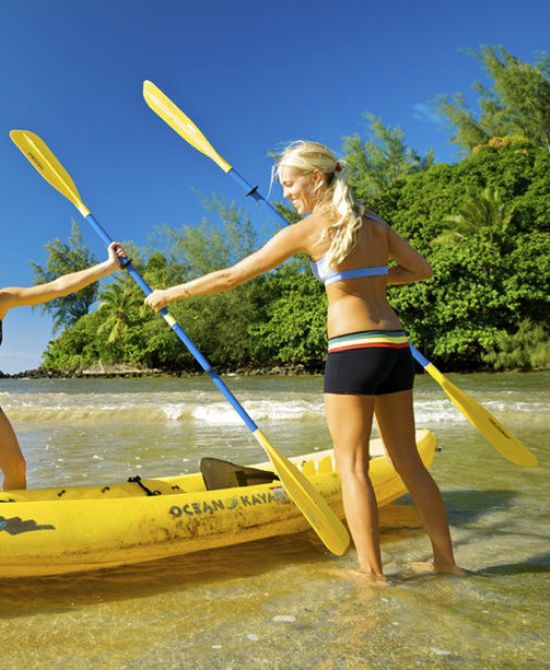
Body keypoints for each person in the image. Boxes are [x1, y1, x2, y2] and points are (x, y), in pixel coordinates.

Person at [145, 141, 464, 580]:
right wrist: (359, 276)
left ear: (317, 178)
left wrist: (169, 293)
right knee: (407, 460)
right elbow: (420, 270)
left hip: (353, 349)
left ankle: (372, 575)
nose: (288, 196)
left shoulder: (310, 230)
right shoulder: (373, 222)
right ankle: (447, 563)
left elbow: (231, 276)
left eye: (292, 185)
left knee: (351, 465)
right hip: (394, 347)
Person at [0, 241, 127, 490]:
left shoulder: (2, 299)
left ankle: (14, 521)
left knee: (16, 468)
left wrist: (109, 266)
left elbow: (57, 287)